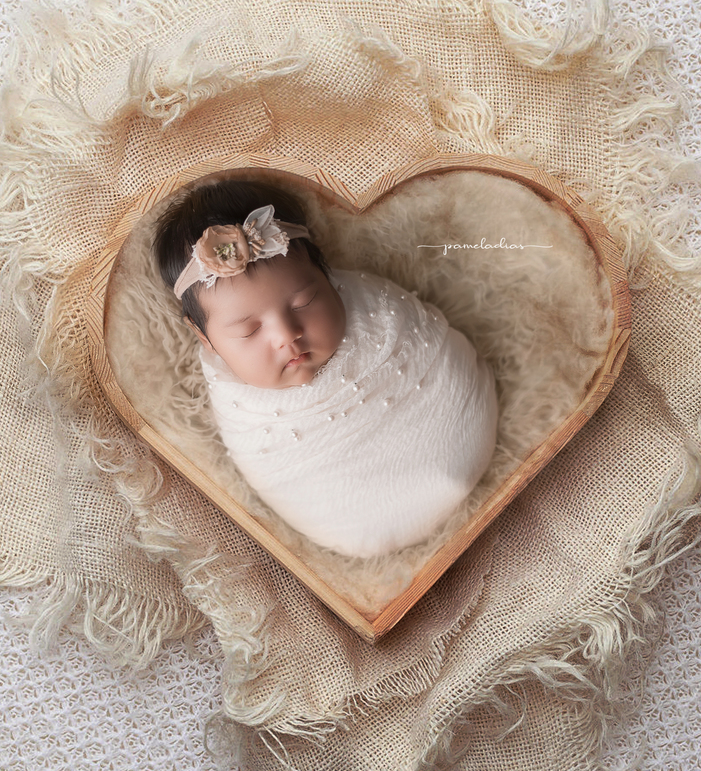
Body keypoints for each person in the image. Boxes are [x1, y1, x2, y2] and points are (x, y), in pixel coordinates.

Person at [155, 180, 498, 558]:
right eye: (250, 331)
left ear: (326, 275)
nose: (287, 335)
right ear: (203, 337)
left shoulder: (376, 312)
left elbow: (430, 349)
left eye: (304, 302)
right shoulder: (241, 409)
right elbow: (272, 472)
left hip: (469, 437)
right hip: (359, 524)